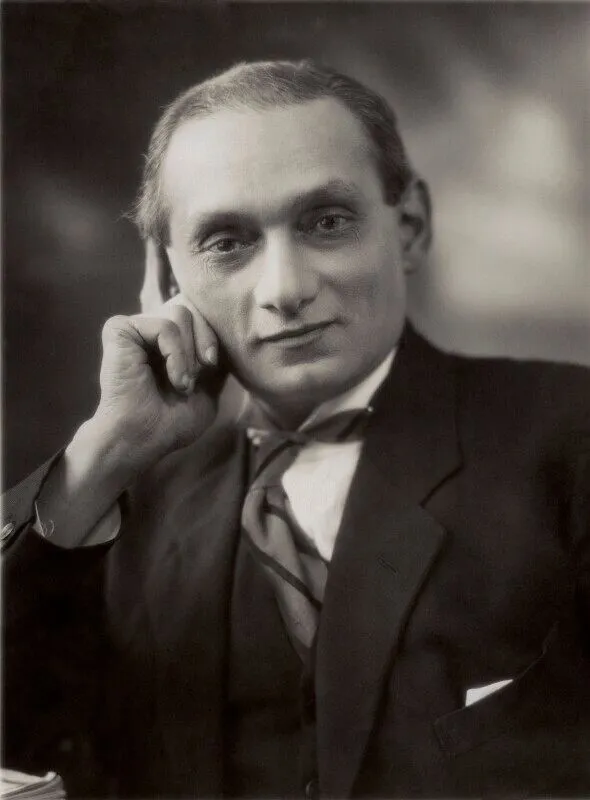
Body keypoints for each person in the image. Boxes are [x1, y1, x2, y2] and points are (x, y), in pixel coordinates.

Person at [2, 59, 590, 798]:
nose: (285, 289)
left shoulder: (569, 437)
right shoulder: (120, 505)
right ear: (165, 276)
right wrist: (106, 452)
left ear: (408, 228)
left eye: (327, 222)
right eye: (227, 241)